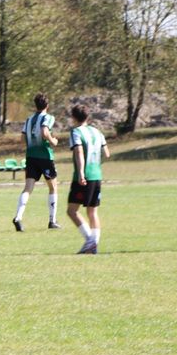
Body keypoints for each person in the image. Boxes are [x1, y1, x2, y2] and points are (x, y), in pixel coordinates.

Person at [12, 93, 61, 231]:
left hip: (31, 156)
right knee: (53, 187)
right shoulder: (48, 117)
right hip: (45, 157)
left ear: (35, 105)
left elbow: (22, 139)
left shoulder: (29, 119)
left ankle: (18, 217)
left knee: (28, 188)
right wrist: (53, 141)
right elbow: (45, 131)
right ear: (47, 105)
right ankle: (52, 221)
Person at [66, 105, 110, 254]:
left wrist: (81, 173)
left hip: (83, 177)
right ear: (87, 117)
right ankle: (93, 245)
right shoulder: (97, 132)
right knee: (92, 212)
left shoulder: (75, 132)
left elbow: (78, 151)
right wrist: (96, 165)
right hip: (97, 175)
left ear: (73, 117)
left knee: (72, 211)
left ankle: (90, 242)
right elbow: (106, 154)